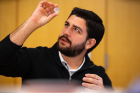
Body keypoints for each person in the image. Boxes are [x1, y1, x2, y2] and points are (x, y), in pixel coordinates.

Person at [0, 0, 113, 92]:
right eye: (66, 25)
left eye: (76, 30)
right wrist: (32, 23)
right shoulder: (35, 58)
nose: (66, 32)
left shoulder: (98, 76)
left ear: (89, 43)